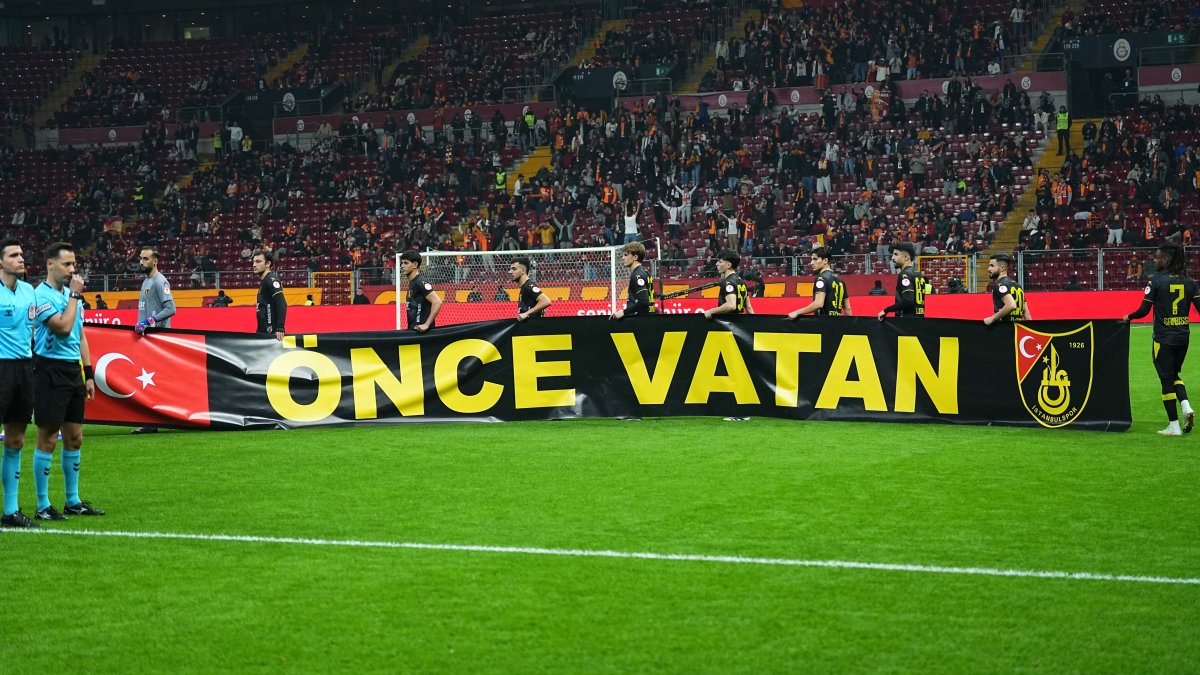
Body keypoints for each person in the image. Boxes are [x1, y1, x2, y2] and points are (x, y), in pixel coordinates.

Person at [32, 242, 104, 521]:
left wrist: (88, 373)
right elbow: (62, 328)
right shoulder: (41, 295)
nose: (72, 269)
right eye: (67, 264)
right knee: (48, 438)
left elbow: (80, 335)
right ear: (50, 264)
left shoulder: (72, 296)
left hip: (73, 371)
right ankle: (42, 505)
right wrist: (74, 295)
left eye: (74, 264)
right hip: (49, 369)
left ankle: (72, 501)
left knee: (75, 437)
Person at [1120, 244, 1200, 436]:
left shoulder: (1156, 281)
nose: (1154, 260)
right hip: (1183, 337)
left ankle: (1174, 426)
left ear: (1166, 260)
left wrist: (1128, 317)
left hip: (1163, 339)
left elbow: (1144, 310)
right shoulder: (1190, 282)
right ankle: (1186, 406)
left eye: (1157, 257)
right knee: (1174, 374)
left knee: (1166, 379)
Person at [0, 238, 39, 528]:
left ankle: (11, 511)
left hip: (25, 369)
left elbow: (34, 330)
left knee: (16, 440)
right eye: (14, 255)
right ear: (1, 262)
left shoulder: (29, 291)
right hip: (1, 367)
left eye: (22, 254)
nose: (21, 258)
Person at [788, 247, 850, 319]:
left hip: (823, 322)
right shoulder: (840, 280)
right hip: (837, 323)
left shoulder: (821, 278)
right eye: (811, 259)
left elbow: (818, 303)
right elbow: (847, 308)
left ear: (825, 260)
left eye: (815, 259)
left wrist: (796, 312)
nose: (811, 263)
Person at [877, 243, 928, 319]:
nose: (892, 258)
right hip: (920, 317)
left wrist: (886, 310)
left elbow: (908, 301)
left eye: (896, 254)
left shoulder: (905, 274)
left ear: (906, 257)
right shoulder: (919, 274)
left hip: (907, 320)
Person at [610, 241, 656, 320]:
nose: (623, 258)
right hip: (651, 314)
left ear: (635, 257)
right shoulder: (645, 271)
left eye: (626, 255)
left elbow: (644, 301)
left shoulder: (637, 275)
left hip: (643, 319)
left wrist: (623, 312)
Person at [399, 250, 441, 332]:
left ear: (415, 265)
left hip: (423, 333)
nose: (402, 266)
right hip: (415, 331)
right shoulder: (413, 283)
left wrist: (426, 324)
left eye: (406, 263)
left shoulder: (420, 282)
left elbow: (437, 302)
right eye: (402, 263)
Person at [983, 253, 1031, 325]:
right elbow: (1026, 313)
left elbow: (1011, 305)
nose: (989, 269)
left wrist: (992, 318)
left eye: (992, 266)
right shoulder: (1017, 285)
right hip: (1016, 328)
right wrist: (1030, 328)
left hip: (1005, 327)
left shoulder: (999, 285)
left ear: (1002, 268)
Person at [704, 250, 752, 319]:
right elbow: (748, 307)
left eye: (720, 262)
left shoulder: (728, 283)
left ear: (728, 265)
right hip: (740, 323)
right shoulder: (741, 281)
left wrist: (711, 311)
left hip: (729, 323)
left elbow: (731, 305)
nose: (716, 264)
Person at [253, 251, 287, 340]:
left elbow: (281, 303)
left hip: (272, 333)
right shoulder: (264, 281)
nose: (254, 265)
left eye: (258, 261)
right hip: (263, 331)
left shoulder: (271, 280)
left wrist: (280, 327)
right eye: (254, 262)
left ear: (268, 264)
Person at [509, 256, 552, 321]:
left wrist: (527, 313)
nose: (510, 272)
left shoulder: (528, 286)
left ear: (523, 270)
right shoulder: (524, 287)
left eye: (514, 269)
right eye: (510, 269)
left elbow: (546, 301)